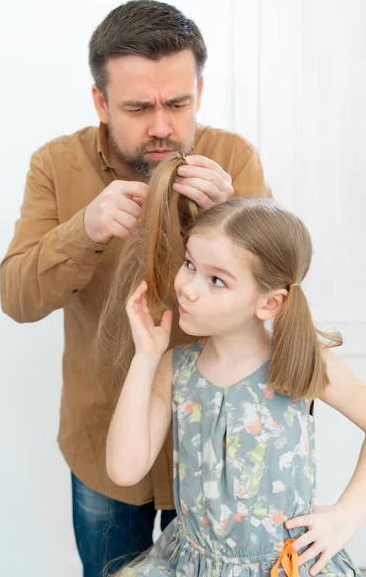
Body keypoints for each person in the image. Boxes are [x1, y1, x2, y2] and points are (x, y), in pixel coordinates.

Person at [0, 0, 272, 576]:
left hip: (213, 451)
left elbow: (279, 300)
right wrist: (83, 231)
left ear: (199, 87)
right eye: (137, 107)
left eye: (178, 103)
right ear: (100, 102)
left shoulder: (233, 159)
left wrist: (235, 217)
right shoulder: (54, 165)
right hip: (102, 443)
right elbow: (17, 298)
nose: (162, 127)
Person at [106, 189, 366, 577]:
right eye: (190, 264)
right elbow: (124, 470)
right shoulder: (173, 367)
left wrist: (347, 516)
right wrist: (144, 357)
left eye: (217, 280)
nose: (188, 287)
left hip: (283, 566)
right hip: (191, 564)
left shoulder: (299, 361)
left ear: (269, 303)